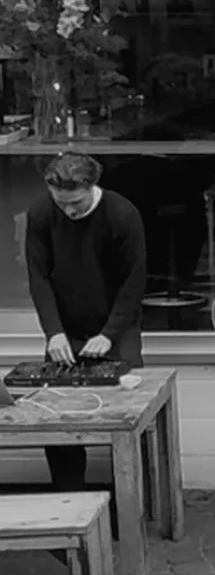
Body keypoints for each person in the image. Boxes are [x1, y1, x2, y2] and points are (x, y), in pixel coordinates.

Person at [24, 150, 147, 491]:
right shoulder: (41, 213)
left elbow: (134, 281)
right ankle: (69, 499)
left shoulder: (122, 214)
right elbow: (38, 277)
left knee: (128, 415)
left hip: (118, 326)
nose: (69, 210)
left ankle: (134, 500)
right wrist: (54, 332)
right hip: (66, 325)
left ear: (93, 186)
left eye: (75, 202)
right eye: (61, 203)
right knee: (57, 420)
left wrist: (109, 333)